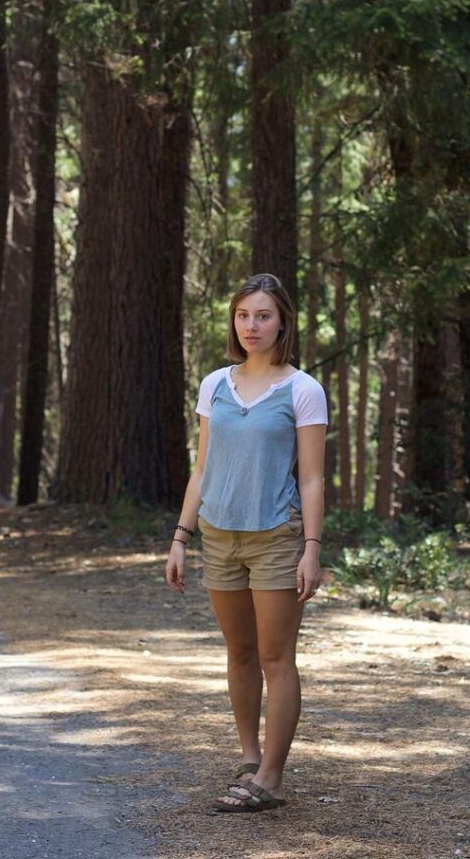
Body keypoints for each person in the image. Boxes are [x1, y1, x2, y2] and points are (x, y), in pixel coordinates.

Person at [165, 273, 328, 813]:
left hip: (275, 539)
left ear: (282, 321)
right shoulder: (215, 384)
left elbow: (311, 479)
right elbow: (202, 467)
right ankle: (250, 758)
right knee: (239, 654)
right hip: (218, 536)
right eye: (243, 315)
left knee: (275, 656)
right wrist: (181, 537)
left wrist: (311, 545)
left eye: (262, 315)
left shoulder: (302, 390)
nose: (251, 325)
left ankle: (273, 779)